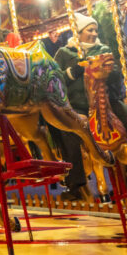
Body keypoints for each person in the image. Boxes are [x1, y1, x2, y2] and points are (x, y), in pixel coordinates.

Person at [49, 12, 99, 200]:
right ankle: (76, 183)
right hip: (74, 105)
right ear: (78, 33)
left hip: (99, 102)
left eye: (95, 30)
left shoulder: (100, 50)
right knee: (68, 131)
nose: (94, 34)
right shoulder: (64, 53)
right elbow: (53, 79)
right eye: (90, 30)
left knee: (125, 116)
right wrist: (73, 71)